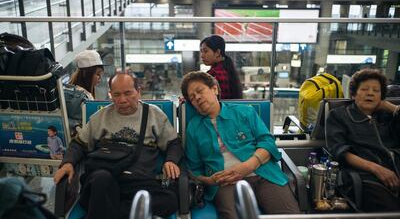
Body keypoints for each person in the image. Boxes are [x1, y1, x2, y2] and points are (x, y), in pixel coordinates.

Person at [54, 72, 183, 219]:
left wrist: (171, 160)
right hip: (103, 182)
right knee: (101, 180)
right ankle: (131, 212)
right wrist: (68, 163)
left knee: (170, 200)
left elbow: (174, 143)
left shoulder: (154, 115)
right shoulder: (100, 117)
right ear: (110, 95)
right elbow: (78, 144)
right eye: (116, 95)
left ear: (138, 92)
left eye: (128, 93)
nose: (122, 100)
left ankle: (107, 211)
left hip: (139, 183)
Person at [181, 71, 300, 219]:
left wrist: (248, 166)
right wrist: (209, 181)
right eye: (192, 98)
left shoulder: (244, 112)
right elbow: (194, 169)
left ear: (214, 89)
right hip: (225, 183)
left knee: (289, 216)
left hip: (262, 173)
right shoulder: (194, 128)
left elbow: (268, 142)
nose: (197, 98)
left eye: (200, 91)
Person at [326, 68, 400, 212]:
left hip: (395, 170)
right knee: (391, 212)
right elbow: (339, 150)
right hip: (367, 177)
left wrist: (392, 108)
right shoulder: (339, 116)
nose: (370, 93)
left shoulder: (387, 116)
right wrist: (377, 169)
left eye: (376, 91)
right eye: (365, 89)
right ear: (354, 94)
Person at [200, 35, 243, 99]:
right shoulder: (227, 69)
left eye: (205, 51)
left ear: (217, 52)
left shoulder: (215, 74)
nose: (202, 55)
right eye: (201, 51)